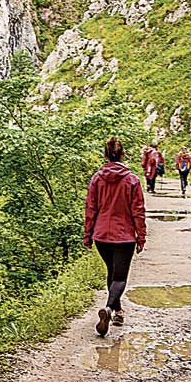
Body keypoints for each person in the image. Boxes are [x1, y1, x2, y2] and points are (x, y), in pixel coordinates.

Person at [84, 137, 147, 337]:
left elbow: (90, 209)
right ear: (123, 155)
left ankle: (117, 312)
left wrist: (88, 234)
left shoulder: (96, 178)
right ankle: (110, 310)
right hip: (124, 236)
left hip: (101, 235)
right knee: (119, 278)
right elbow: (138, 211)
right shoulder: (132, 180)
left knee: (111, 273)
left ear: (105, 155)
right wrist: (141, 236)